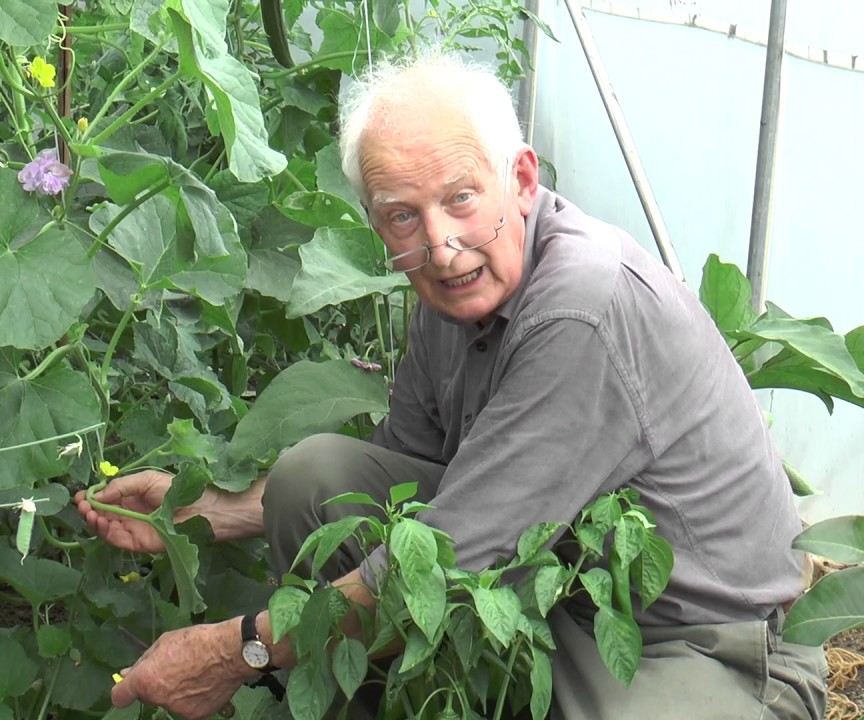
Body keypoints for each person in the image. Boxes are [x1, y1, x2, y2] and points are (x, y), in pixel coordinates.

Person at [74, 50, 828, 720]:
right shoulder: (453, 290)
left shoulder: (583, 308)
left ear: (521, 181)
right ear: (377, 223)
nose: (439, 242)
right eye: (404, 215)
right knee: (316, 482)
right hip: (556, 593)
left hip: (699, 643)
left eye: (461, 198)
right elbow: (404, 483)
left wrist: (241, 650)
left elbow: (446, 553)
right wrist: (201, 512)